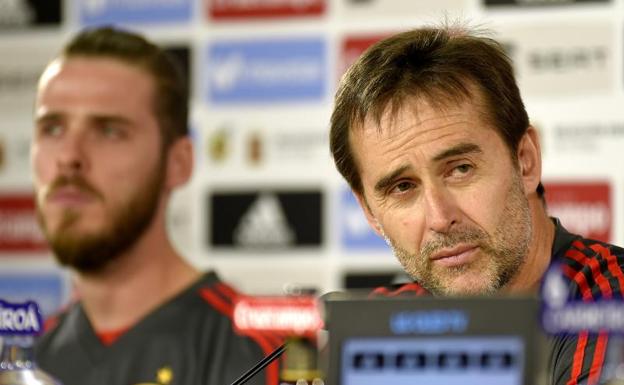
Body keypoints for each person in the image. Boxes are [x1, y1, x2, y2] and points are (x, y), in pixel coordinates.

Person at [329, 22, 624, 385]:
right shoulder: (367, 329)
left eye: (461, 169)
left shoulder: (610, 303)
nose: (439, 218)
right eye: (403, 187)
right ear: (370, 214)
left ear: (525, 161)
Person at [31, 26, 281, 385]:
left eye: (109, 130)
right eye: (52, 129)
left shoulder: (259, 356)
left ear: (178, 163)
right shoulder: (24, 360)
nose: (69, 157)